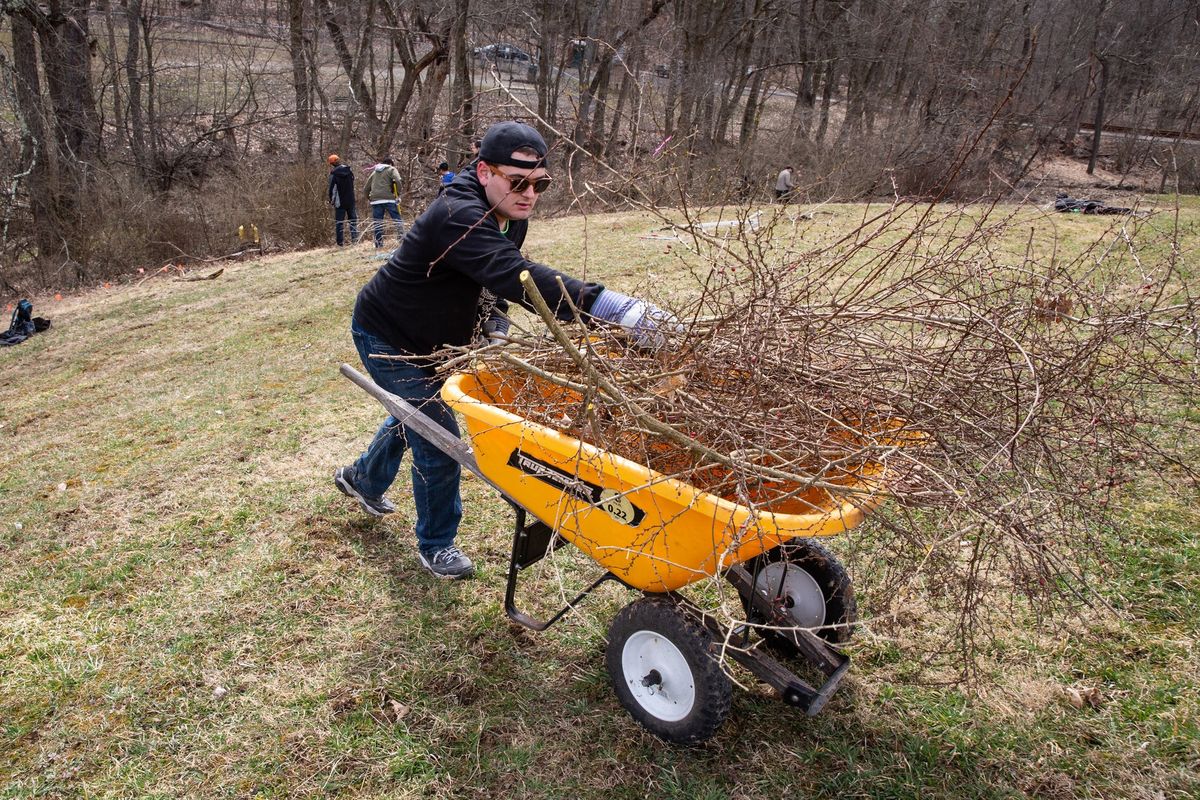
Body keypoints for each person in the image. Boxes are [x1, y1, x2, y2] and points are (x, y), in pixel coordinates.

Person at [334, 121, 672, 580]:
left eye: (540, 183)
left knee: (412, 415)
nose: (529, 193)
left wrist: (491, 321)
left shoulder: (511, 216)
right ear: (483, 172)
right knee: (437, 435)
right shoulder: (457, 213)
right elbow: (515, 273)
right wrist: (616, 310)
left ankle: (361, 480)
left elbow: (490, 280)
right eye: (518, 181)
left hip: (438, 342)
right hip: (388, 334)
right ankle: (437, 543)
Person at [365, 157, 405, 248]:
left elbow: (366, 188)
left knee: (378, 223)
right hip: (389, 199)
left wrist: (369, 198)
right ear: (390, 164)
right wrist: (397, 193)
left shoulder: (374, 172)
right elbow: (398, 180)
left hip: (376, 200)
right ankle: (402, 240)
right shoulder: (391, 169)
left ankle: (379, 244)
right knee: (397, 220)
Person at [327, 154, 358, 246]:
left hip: (340, 202)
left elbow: (332, 189)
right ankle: (355, 240)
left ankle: (340, 243)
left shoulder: (333, 174)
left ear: (331, 164)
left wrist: (331, 200)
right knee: (353, 221)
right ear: (339, 160)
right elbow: (352, 182)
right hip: (351, 200)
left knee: (339, 222)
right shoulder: (349, 171)